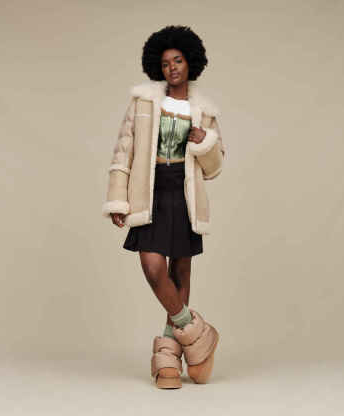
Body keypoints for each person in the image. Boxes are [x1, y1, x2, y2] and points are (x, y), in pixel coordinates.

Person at [102, 25, 225, 389]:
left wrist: (205, 142)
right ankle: (196, 333)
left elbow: (215, 168)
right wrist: (118, 198)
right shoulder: (142, 101)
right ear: (158, 66)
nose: (172, 67)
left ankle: (169, 356)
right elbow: (123, 151)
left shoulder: (205, 112)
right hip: (149, 189)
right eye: (166, 62)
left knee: (180, 270)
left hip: (185, 194)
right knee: (154, 267)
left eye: (178, 60)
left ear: (191, 63)